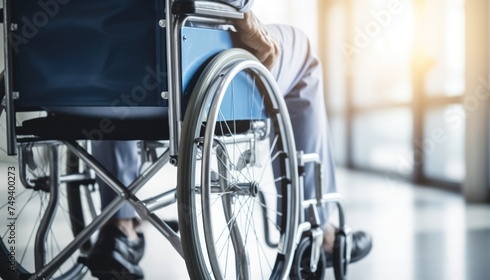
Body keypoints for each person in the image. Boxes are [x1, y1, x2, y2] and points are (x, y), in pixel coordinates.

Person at [86, 9, 372, 279]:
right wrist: (243, 13)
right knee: (304, 56)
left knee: (119, 57)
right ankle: (315, 229)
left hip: (82, 75)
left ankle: (119, 229)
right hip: (177, 64)